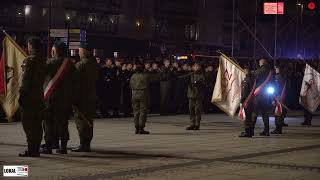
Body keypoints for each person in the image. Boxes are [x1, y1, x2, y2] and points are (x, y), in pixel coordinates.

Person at [41, 41, 77, 154]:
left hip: (52, 98)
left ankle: (48, 145)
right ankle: (63, 146)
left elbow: (42, 73)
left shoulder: (52, 63)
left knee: (48, 122)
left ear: (57, 50)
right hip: (66, 98)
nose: (52, 51)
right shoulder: (70, 64)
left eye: (53, 49)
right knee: (62, 122)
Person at [18, 37, 46, 157]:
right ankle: (36, 148)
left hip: (29, 96)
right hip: (39, 96)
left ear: (31, 46)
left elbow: (25, 80)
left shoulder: (29, 60)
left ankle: (31, 148)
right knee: (37, 123)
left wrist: (22, 94)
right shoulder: (43, 60)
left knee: (28, 123)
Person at [72, 43, 99, 152]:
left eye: (79, 51)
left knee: (81, 120)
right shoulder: (94, 64)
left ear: (84, 51)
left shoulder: (80, 65)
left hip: (82, 97)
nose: (78, 53)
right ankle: (87, 143)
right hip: (91, 95)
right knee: (89, 120)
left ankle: (83, 143)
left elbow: (74, 80)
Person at [130, 61, 155, 134]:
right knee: (143, 111)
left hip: (134, 93)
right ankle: (141, 127)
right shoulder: (145, 76)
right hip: (143, 93)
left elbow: (130, 85)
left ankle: (136, 127)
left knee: (136, 111)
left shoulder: (133, 76)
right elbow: (153, 79)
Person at [252, 59, 272, 136]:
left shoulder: (260, 70)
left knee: (254, 113)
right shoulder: (270, 71)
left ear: (262, 63)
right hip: (266, 95)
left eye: (260, 62)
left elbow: (254, 78)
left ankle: (251, 129)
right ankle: (266, 130)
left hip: (258, 94)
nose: (259, 63)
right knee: (265, 113)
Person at [185, 62, 205, 130]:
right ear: (193, 67)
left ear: (199, 67)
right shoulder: (190, 74)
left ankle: (197, 124)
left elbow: (203, 83)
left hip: (198, 95)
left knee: (197, 110)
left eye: (197, 66)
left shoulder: (202, 74)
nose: (196, 68)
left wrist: (198, 83)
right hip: (191, 94)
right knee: (191, 110)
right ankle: (192, 124)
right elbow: (185, 81)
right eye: (194, 66)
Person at [239, 67, 255, 137]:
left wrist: (242, 100)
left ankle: (247, 132)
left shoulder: (246, 80)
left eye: (245, 71)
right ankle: (250, 131)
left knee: (247, 117)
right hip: (251, 101)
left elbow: (245, 92)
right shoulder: (252, 80)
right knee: (249, 116)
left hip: (246, 101)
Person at [271, 66, 287, 134]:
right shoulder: (284, 77)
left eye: (276, 68)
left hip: (278, 97)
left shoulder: (277, 77)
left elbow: (276, 88)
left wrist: (274, 99)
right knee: (280, 113)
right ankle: (279, 128)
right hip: (282, 97)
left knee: (278, 113)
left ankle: (278, 129)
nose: (275, 70)